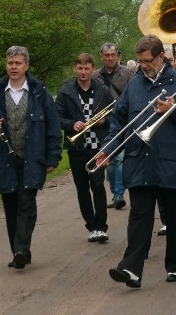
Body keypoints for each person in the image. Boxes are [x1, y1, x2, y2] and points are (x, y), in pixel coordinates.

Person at [94, 34, 176, 287]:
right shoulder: (134, 86)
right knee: (139, 216)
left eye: (147, 60)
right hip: (140, 161)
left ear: (160, 57)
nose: (143, 65)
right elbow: (119, 123)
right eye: (140, 61)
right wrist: (107, 149)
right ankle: (131, 268)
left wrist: (174, 109)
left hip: (172, 161)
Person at [0, 46, 61, 269]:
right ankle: (18, 251)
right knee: (11, 206)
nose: (13, 67)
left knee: (26, 203)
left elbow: (53, 127)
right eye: (10, 63)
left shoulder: (39, 92)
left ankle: (21, 249)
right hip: (4, 159)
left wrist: (53, 157)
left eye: (18, 63)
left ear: (26, 66)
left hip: (31, 157)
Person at [55, 53, 114, 243]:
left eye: (86, 68)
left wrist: (104, 120)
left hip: (97, 145)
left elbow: (115, 114)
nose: (83, 72)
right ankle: (91, 226)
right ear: (75, 68)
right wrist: (72, 124)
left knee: (98, 185)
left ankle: (101, 226)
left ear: (92, 69)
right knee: (82, 188)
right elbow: (57, 117)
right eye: (79, 68)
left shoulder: (103, 90)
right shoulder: (66, 92)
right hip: (77, 147)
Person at [98, 42, 134, 209]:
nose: (110, 58)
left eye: (113, 55)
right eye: (107, 55)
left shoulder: (128, 73)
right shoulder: (95, 76)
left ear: (118, 56)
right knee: (110, 162)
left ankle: (119, 194)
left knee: (118, 159)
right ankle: (115, 192)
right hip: (104, 123)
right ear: (102, 57)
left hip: (123, 121)